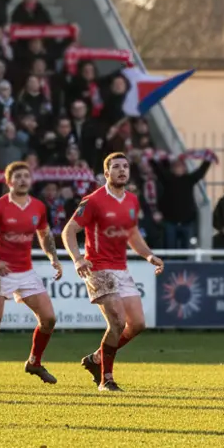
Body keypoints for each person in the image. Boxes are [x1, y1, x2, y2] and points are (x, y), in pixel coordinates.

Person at [62, 153, 164, 392]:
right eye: (116, 167)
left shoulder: (131, 201)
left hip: (121, 269)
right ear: (106, 174)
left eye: (126, 167)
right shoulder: (93, 200)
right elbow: (68, 231)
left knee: (137, 324)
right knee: (117, 321)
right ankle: (106, 379)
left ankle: (97, 359)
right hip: (97, 268)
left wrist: (149, 255)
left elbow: (132, 235)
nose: (122, 170)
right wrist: (77, 259)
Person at [0, 161, 64, 385]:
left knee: (49, 319)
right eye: (18, 176)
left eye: (26, 176)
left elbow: (45, 235)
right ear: (9, 181)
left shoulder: (38, 207)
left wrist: (53, 257)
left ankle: (34, 362)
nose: (22, 180)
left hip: (26, 272)